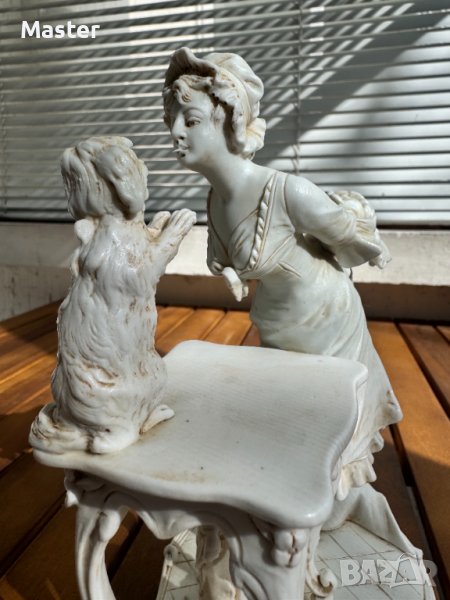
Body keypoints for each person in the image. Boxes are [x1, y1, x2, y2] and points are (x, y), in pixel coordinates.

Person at [163, 47, 402, 488]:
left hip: (326, 319)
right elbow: (224, 260)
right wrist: (232, 275)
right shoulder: (214, 201)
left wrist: (369, 244)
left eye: (190, 121)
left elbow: (345, 232)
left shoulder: (289, 191)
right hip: (275, 319)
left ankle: (325, 498)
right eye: (172, 121)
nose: (175, 132)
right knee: (287, 420)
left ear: (230, 123)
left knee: (327, 427)